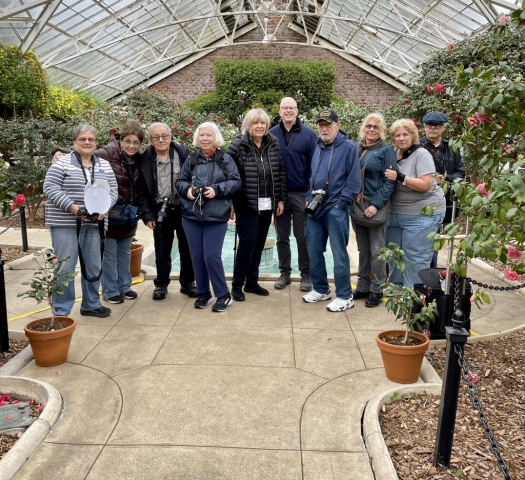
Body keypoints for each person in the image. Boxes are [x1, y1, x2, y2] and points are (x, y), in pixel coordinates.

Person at [43, 124, 118, 318]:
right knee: (65, 266)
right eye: (82, 139)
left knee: (93, 265)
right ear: (75, 141)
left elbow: (113, 191)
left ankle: (91, 304)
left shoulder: (104, 165)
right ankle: (61, 310)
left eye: (90, 139)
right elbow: (50, 187)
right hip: (65, 224)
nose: (87, 142)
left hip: (94, 224)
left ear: (96, 142)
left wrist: (104, 209)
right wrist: (72, 207)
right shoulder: (62, 163)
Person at [176, 122, 241, 312]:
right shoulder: (192, 159)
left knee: (211, 256)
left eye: (208, 135)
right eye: (202, 135)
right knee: (197, 256)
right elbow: (180, 181)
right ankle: (204, 293)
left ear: (215, 138)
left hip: (216, 215)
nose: (205, 138)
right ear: (198, 138)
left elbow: (236, 183)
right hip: (191, 216)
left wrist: (218, 190)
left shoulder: (225, 159)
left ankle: (223, 295)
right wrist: (187, 190)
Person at [302, 109, 361, 312]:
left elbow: (354, 181)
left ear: (338, 124)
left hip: (335, 208)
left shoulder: (348, 147)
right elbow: (312, 175)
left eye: (328, 124)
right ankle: (321, 289)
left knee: (338, 253)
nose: (324, 128)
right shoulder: (318, 146)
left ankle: (345, 295)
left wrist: (340, 203)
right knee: (314, 251)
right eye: (321, 125)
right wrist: (309, 197)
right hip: (315, 208)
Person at [226, 108, 287, 302]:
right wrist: (232, 203)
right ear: (248, 125)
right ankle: (237, 284)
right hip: (246, 203)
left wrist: (280, 199)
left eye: (263, 123)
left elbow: (280, 173)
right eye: (255, 123)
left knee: (260, 243)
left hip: (268, 204)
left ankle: (251, 282)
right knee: (247, 244)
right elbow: (230, 177)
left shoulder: (274, 144)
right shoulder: (237, 146)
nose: (259, 126)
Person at [136, 122, 197, 300]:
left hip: (184, 208)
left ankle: (188, 283)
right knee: (162, 250)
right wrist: (147, 215)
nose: (161, 140)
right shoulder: (145, 160)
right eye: (156, 137)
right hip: (159, 210)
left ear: (170, 137)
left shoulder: (183, 154)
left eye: (164, 136)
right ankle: (161, 284)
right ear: (150, 140)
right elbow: (141, 192)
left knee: (187, 248)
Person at [384, 119, 446, 287]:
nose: (401, 138)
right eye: (397, 135)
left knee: (415, 256)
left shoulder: (422, 154)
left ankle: (415, 295)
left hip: (422, 213)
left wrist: (401, 177)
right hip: (395, 213)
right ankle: (397, 289)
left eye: (405, 134)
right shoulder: (392, 153)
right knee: (394, 253)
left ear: (413, 136)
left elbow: (425, 185)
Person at [269, 97, 317, 291]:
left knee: (302, 236)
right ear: (279, 112)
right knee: (282, 236)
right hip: (279, 194)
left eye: (292, 108)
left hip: (301, 193)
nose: (288, 111)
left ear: (297, 111)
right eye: (284, 108)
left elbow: (316, 167)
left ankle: (306, 275)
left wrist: (311, 195)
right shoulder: (271, 134)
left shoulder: (309, 135)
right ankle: (284, 273)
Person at [352, 113, 397, 307]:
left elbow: (390, 182)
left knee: (376, 250)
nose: (371, 129)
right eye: (369, 126)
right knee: (362, 249)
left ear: (382, 131)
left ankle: (376, 289)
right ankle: (362, 285)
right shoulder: (358, 147)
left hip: (374, 205)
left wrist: (375, 204)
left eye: (375, 127)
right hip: (357, 203)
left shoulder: (386, 150)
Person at [98, 121, 143, 304]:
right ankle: (109, 290)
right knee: (109, 254)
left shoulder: (139, 158)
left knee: (124, 252)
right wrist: (58, 153)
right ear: (121, 140)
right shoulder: (107, 153)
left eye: (135, 142)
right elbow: (83, 154)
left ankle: (125, 286)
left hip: (129, 213)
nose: (131, 146)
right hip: (109, 212)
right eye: (128, 141)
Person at [420, 111, 466, 267]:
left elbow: (461, 173)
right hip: (423, 200)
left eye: (437, 125)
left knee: (438, 239)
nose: (433, 128)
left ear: (443, 128)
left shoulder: (452, 148)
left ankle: (433, 273)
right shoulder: (417, 147)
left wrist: (445, 179)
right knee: (426, 238)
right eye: (429, 125)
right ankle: (428, 272)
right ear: (424, 127)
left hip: (446, 201)